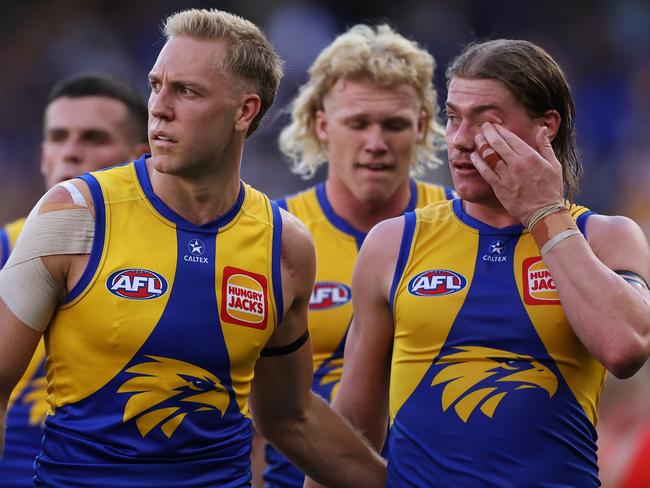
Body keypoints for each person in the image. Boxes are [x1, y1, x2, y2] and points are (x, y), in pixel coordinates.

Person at [0, 9, 386, 487]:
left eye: (185, 91)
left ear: (245, 111)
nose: (158, 108)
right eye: (155, 85)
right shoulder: (75, 211)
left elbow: (290, 417)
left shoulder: (284, 245)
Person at [315, 39, 650, 487]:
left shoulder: (606, 237)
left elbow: (625, 347)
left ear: (546, 127)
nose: (459, 141)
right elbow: (353, 423)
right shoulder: (394, 242)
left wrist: (543, 214)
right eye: (453, 117)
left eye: (486, 121)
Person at [263, 23, 453, 487]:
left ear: (422, 126)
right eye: (357, 123)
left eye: (394, 124)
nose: (375, 142)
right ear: (322, 126)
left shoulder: (462, 226)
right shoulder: (271, 235)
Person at [0, 72, 149, 486]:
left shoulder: (177, 266)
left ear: (140, 158)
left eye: (94, 138)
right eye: (58, 137)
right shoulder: (1, 252)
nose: (70, 153)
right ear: (43, 155)